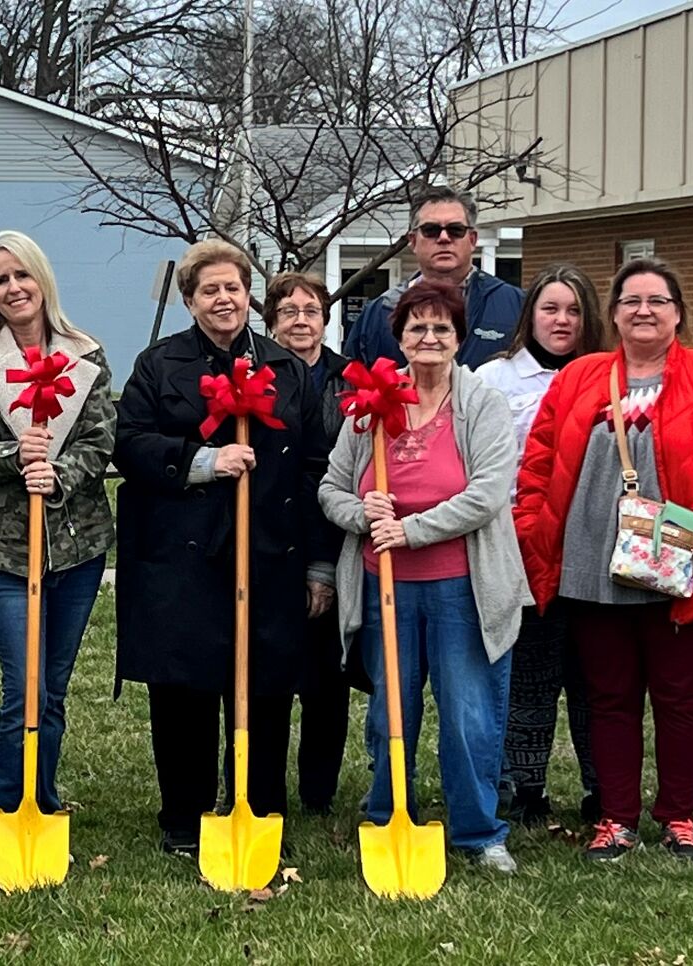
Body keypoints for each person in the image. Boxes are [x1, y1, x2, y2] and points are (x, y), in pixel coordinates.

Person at [514, 257, 693, 863]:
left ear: (677, 312)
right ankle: (617, 818)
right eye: (631, 300)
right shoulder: (579, 378)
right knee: (609, 698)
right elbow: (538, 467)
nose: (643, 311)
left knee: (682, 701)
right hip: (591, 569)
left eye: (657, 300)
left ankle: (679, 815)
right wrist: (536, 534)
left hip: (682, 573)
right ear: (616, 313)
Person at [113, 239, 331, 856]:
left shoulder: (286, 370)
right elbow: (129, 443)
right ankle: (184, 817)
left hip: (269, 553)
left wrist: (318, 563)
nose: (223, 299)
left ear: (248, 297)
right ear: (189, 301)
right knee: (183, 690)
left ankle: (258, 809)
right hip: (184, 554)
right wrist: (202, 462)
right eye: (208, 290)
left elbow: (316, 464)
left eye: (232, 287)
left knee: (263, 689)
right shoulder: (159, 365)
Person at [318, 278, 531, 872]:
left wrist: (410, 531)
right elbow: (331, 487)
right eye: (418, 327)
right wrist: (362, 515)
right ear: (400, 338)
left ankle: (479, 831)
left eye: (442, 328)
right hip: (383, 586)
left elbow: (489, 492)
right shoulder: (371, 406)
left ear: (460, 338)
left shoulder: (481, 402)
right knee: (391, 707)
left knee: (467, 711)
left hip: (461, 583)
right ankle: (387, 813)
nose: (430, 337)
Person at [0, 231, 117, 816]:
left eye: (23, 275)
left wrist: (60, 473)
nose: (14, 288)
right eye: (1, 279)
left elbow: (101, 440)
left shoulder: (85, 355)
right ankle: (6, 805)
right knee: (25, 688)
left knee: (55, 687)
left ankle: (43, 801)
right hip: (7, 551)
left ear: (42, 280)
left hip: (77, 546)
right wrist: (11, 457)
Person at [476, 264, 609, 826]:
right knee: (529, 668)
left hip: (597, 549)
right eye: (550, 308)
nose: (562, 321)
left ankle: (603, 788)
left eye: (574, 310)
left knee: (594, 674)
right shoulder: (494, 379)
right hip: (521, 541)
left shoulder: (609, 376)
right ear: (530, 315)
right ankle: (524, 784)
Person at [263, 270, 354, 813]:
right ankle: (263, 790)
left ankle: (318, 792)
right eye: (289, 311)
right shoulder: (255, 377)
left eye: (311, 310)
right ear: (272, 321)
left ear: (325, 317)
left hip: (334, 536)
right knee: (269, 676)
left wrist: (322, 564)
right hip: (271, 543)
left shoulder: (351, 381)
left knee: (327, 681)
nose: (301, 320)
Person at [343, 186, 523, 369]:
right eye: (431, 230)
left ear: (472, 240)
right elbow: (353, 384)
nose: (444, 238)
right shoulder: (379, 313)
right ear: (412, 241)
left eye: (455, 229)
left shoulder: (516, 307)